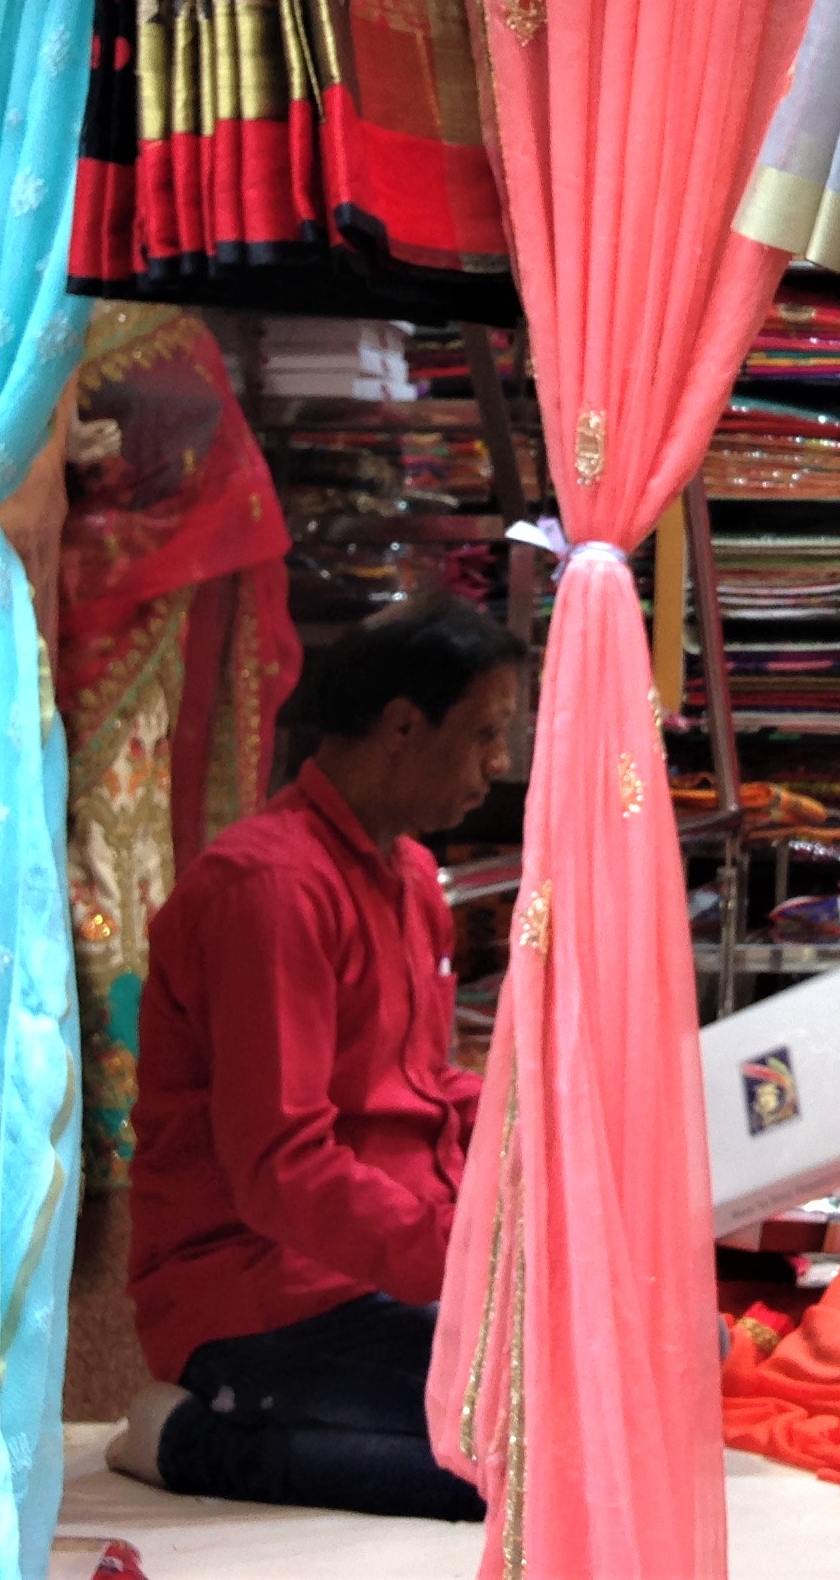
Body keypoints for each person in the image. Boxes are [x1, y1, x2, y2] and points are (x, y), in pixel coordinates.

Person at [106, 595, 523, 1520]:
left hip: (384, 1266)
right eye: (486, 735)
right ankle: (186, 1440)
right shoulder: (270, 889)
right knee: (517, 1468)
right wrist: (466, 1263)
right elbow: (281, 1168)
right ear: (403, 726)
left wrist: (535, 1152)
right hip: (256, 1289)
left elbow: (419, 1087)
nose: (499, 765)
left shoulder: (410, 874)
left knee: (602, 1391)